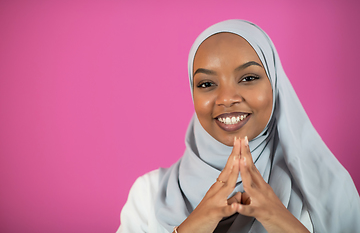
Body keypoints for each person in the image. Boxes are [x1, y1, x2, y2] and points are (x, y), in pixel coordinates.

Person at [117, 20, 360, 233]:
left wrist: (280, 220)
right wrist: (194, 225)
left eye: (248, 78)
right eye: (206, 84)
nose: (227, 98)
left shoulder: (329, 192)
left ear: (275, 86)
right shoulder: (149, 195)